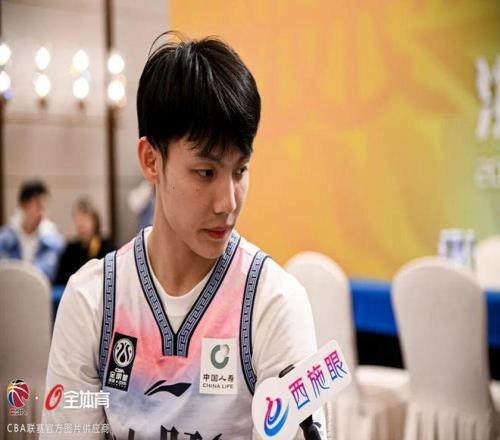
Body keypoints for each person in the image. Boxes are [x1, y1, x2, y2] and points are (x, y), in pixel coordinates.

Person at [42, 32, 325, 439]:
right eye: (206, 172)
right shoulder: (93, 301)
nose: (228, 202)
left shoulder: (273, 303)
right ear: (151, 161)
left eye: (240, 170)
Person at [0, 180, 63, 282]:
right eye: (38, 206)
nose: (41, 213)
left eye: (44, 207)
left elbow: (49, 274)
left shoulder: (52, 242)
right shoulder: (4, 240)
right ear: (24, 205)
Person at [55, 198, 115, 285]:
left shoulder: (106, 247)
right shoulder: (70, 249)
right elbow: (60, 280)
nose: (81, 223)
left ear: (95, 220)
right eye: (77, 218)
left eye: (85, 217)